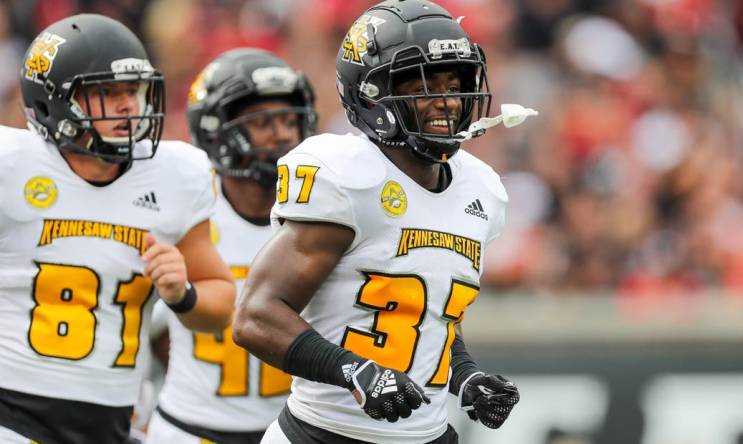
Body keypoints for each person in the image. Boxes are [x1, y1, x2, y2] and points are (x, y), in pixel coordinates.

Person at [233, 1, 521, 443]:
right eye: (424, 86)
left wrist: (463, 375)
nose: (446, 100)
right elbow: (256, 316)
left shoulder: (480, 188)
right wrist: (353, 370)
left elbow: (428, 311)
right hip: (324, 434)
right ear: (372, 94)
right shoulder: (348, 178)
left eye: (454, 83)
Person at [0, 14, 235, 444]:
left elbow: (219, 308)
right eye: (106, 92)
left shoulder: (175, 173)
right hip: (12, 411)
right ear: (52, 102)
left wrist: (183, 294)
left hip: (112, 421)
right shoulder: (11, 165)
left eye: (133, 89)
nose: (128, 105)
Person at [145, 48, 318, 444]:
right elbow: (140, 324)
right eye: (265, 122)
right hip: (189, 430)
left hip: (292, 431)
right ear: (217, 130)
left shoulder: (323, 212)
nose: (285, 135)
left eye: (291, 120)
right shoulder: (186, 210)